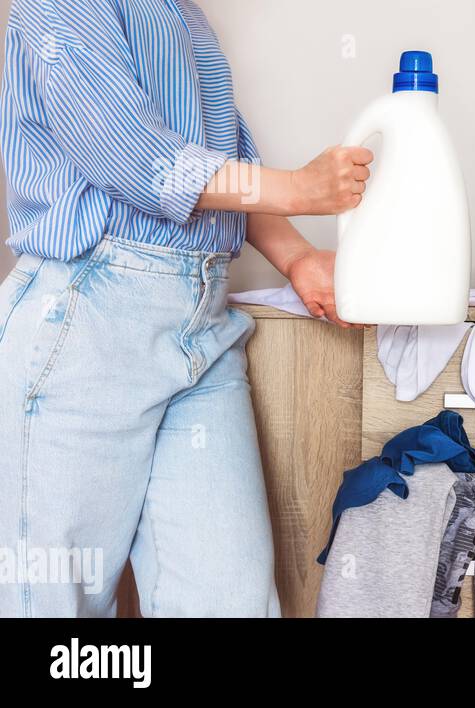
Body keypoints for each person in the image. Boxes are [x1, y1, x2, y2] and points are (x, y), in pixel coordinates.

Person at [0, 0, 370, 617]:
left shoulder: (182, 15)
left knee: (229, 599)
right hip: (85, 327)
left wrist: (300, 258)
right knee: (54, 604)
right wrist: (298, 189)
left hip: (202, 327)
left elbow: (222, 170)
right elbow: (136, 156)